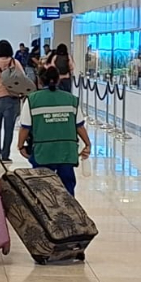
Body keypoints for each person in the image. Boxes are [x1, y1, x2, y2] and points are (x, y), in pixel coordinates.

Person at [18, 65, 91, 195]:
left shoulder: (32, 100)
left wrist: (20, 146)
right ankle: (69, 213)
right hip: (66, 152)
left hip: (42, 152)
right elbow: (79, 126)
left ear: (40, 81)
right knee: (67, 188)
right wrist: (87, 144)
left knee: (43, 189)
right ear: (58, 80)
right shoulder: (71, 99)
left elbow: (25, 127)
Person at [0, 39, 26, 163]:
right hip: (12, 100)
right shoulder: (14, 62)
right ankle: (6, 154)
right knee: (9, 129)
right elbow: (23, 79)